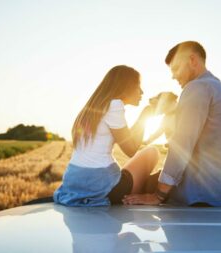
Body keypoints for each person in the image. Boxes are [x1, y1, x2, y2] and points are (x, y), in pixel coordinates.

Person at [123, 41, 221, 207]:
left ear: (192, 61)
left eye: (175, 69)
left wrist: (158, 195)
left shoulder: (196, 88)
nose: (173, 76)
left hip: (199, 195)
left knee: (123, 188)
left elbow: (182, 144)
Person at [54, 65, 159, 206]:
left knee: (140, 172)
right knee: (152, 153)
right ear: (125, 86)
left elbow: (126, 136)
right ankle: (144, 193)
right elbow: (131, 149)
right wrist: (146, 114)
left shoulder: (95, 108)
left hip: (75, 184)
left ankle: (145, 186)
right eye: (138, 86)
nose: (142, 92)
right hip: (103, 189)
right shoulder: (115, 105)